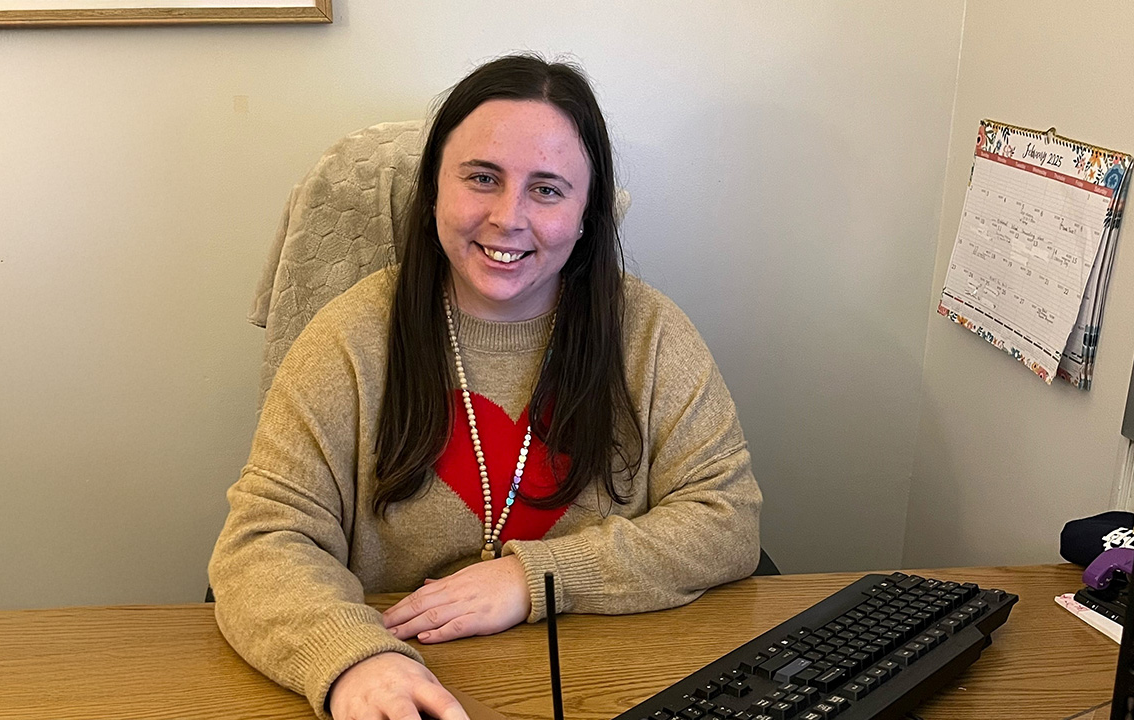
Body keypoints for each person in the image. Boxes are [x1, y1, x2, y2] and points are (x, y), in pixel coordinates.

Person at [208, 53, 762, 720]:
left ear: (587, 215)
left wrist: (537, 580)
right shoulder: (347, 338)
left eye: (548, 189)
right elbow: (263, 540)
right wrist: (354, 659)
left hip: (610, 675)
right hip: (399, 675)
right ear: (434, 192)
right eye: (481, 178)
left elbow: (727, 519)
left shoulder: (651, 335)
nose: (508, 217)